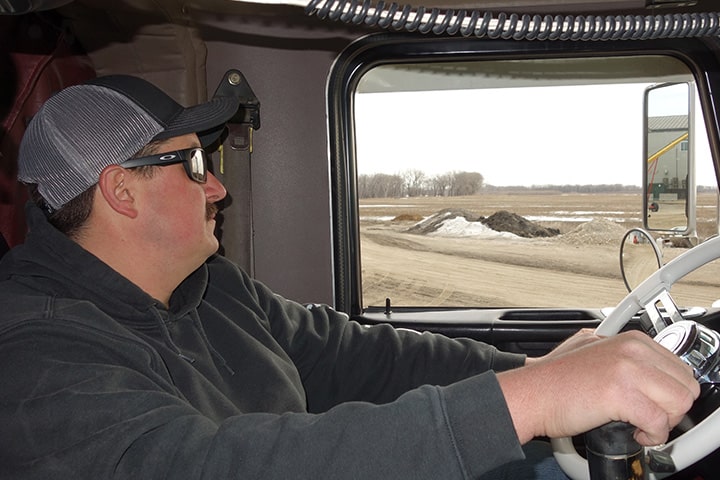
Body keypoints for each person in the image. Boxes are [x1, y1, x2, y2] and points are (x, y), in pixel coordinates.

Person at [0, 74, 699, 480]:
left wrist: (533, 369)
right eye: (191, 166)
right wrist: (528, 403)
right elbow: (212, 467)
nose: (216, 188)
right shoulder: (33, 360)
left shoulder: (209, 289)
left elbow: (359, 356)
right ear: (122, 192)